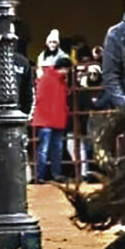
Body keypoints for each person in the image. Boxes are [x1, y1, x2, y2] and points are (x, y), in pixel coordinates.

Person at [32, 55, 71, 183]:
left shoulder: (46, 78)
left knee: (45, 148)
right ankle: (53, 173)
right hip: (54, 118)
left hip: (47, 118)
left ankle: (41, 175)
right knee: (54, 148)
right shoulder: (59, 81)